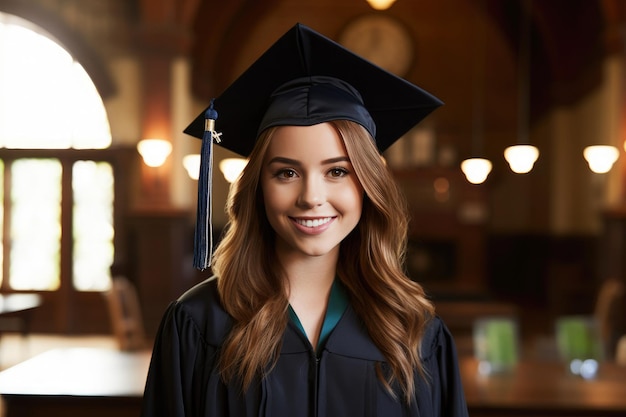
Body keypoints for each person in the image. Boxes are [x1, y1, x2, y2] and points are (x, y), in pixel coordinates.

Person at [141, 23, 468, 417]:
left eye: (337, 171)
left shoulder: (416, 332)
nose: (312, 197)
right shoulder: (198, 324)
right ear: (258, 187)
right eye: (286, 172)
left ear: (367, 185)